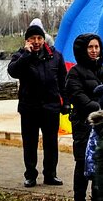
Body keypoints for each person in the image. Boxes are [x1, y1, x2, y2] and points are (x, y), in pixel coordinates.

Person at [64, 33, 103, 201]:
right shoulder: (75, 73)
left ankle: (98, 200)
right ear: (82, 50)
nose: (94, 51)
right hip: (84, 124)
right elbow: (79, 98)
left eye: (97, 47)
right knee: (82, 163)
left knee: (102, 162)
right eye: (90, 47)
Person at [7, 24, 67, 187]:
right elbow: (13, 72)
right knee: (30, 143)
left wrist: (65, 102)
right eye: (32, 38)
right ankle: (30, 175)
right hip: (29, 107)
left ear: (44, 39)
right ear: (27, 40)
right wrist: (26, 54)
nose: (36, 41)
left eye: (39, 38)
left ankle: (50, 174)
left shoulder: (55, 56)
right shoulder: (21, 55)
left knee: (51, 143)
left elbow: (63, 81)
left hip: (50, 107)